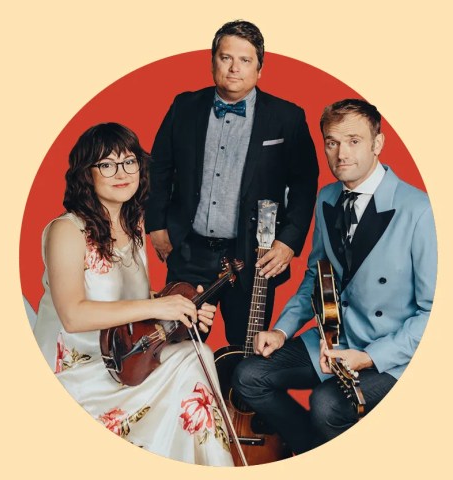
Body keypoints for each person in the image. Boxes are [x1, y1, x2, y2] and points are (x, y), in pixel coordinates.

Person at [231, 99, 436, 454]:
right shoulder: (327, 198)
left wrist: (369, 358)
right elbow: (316, 277)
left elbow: (434, 314)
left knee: (327, 405)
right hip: (334, 341)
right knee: (248, 376)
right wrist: (281, 331)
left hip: (389, 353)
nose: (341, 153)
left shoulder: (419, 211)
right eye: (332, 142)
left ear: (377, 143)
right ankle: (310, 453)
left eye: (354, 141)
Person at [32, 123, 234, 465]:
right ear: (86, 174)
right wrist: (159, 305)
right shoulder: (67, 230)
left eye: (129, 162)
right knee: (189, 363)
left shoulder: (133, 227)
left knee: (196, 354)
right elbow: (74, 314)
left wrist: (182, 308)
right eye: (107, 165)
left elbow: (134, 304)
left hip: (126, 361)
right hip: (80, 371)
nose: (121, 173)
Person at [145, 20, 319, 346]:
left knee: (245, 351)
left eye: (245, 60)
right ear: (213, 61)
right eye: (226, 58)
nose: (234, 68)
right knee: (175, 347)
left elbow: (305, 183)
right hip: (189, 251)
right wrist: (156, 224)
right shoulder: (185, 106)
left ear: (260, 69)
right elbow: (160, 167)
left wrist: (289, 241)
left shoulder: (287, 117)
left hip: (253, 254)